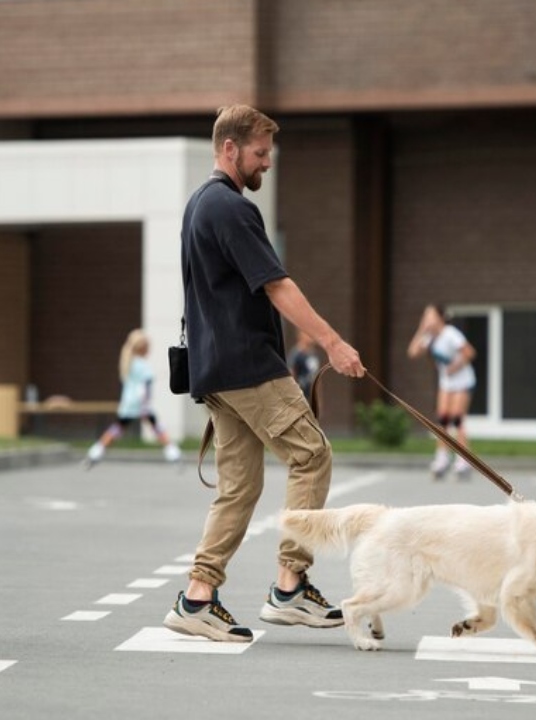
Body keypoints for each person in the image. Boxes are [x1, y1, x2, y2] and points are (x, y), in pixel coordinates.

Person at [163, 104, 366, 643]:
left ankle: (197, 597)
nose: (266, 163)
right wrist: (333, 342)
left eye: (268, 153)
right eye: (259, 153)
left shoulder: (197, 206)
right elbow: (277, 286)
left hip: (215, 368)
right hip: (248, 364)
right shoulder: (229, 208)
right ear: (229, 149)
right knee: (312, 454)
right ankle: (289, 585)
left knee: (239, 488)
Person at [84, 329, 182, 469]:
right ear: (142, 347)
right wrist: (144, 406)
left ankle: (95, 452)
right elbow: (144, 389)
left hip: (128, 404)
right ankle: (173, 454)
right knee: (157, 427)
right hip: (141, 403)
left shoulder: (128, 363)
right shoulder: (142, 365)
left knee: (117, 428)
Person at [407, 303, 476, 480]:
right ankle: (442, 458)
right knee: (443, 419)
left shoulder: (451, 334)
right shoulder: (429, 337)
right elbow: (413, 353)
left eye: (430, 316)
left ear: (440, 317)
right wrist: (422, 330)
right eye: (425, 316)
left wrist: (455, 366)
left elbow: (469, 352)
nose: (427, 319)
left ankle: (463, 460)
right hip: (446, 382)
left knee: (457, 419)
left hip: (462, 380)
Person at [287, 330, 323, 413]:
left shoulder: (314, 354)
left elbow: (317, 377)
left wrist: (319, 399)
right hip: (300, 395)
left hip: (311, 395)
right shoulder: (296, 354)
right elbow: (292, 375)